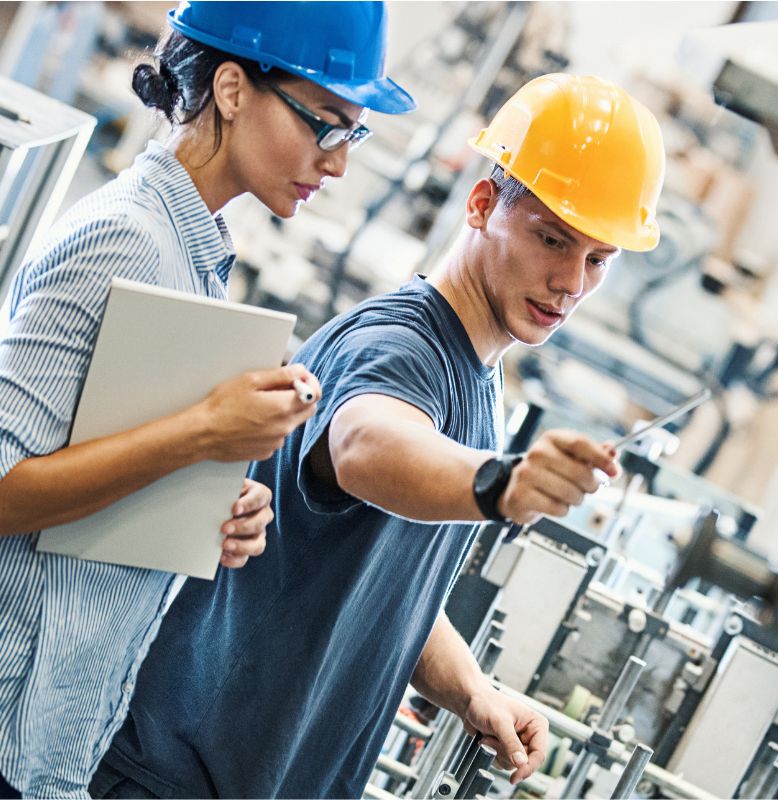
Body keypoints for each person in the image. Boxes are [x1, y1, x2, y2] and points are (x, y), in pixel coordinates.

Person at [93, 73, 665, 799]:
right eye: (552, 239)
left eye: (598, 261)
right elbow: (366, 442)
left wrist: (469, 690)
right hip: (179, 776)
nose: (570, 282)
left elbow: (384, 589)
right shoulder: (403, 346)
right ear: (484, 204)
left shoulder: (476, 377)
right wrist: (500, 482)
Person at [0, 2, 414, 797]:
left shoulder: (192, 255)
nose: (338, 164)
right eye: (326, 123)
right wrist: (201, 434)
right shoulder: (128, 237)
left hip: (50, 741)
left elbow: (89, 470)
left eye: (352, 134)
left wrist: (202, 507)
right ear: (231, 88)